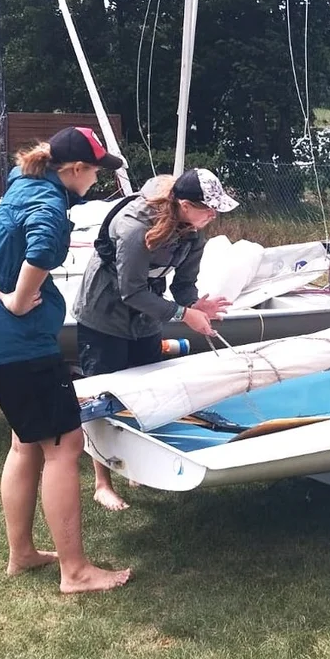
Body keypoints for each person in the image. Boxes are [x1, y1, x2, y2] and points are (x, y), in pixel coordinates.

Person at [0, 126, 132, 594]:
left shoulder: (26, 183)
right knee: (64, 446)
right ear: (74, 169)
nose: (96, 181)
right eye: (95, 173)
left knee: (25, 442)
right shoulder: (48, 203)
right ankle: (76, 572)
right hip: (17, 339)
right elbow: (39, 248)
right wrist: (20, 301)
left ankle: (23, 553)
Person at [73, 167, 238, 511]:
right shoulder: (136, 227)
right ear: (183, 203)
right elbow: (130, 290)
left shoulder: (193, 232)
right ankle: (102, 482)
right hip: (104, 312)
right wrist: (181, 315)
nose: (213, 216)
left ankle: (137, 464)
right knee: (101, 394)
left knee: (146, 390)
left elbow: (182, 284)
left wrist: (195, 303)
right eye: (208, 208)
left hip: (146, 317)